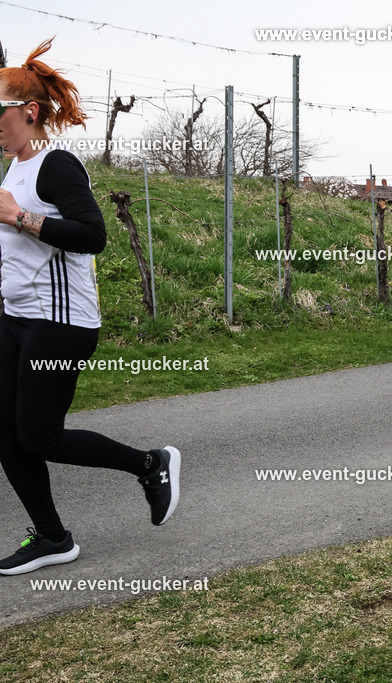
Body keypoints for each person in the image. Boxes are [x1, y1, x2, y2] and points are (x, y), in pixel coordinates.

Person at [0, 39, 180, 576]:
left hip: (60, 324)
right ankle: (52, 537)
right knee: (7, 435)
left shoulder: (56, 166)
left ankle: (150, 463)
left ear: (27, 112)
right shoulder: (13, 170)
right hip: (16, 319)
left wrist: (17, 219)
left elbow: (92, 236)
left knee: (40, 436)